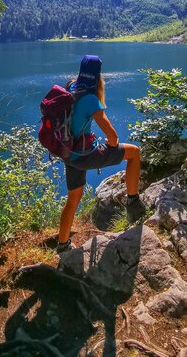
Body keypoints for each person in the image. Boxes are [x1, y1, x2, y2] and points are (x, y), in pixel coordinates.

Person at [57, 54, 146, 253]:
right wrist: (110, 142)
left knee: (72, 199)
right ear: (98, 75)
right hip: (83, 155)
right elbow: (112, 137)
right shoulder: (90, 99)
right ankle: (133, 202)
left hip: (69, 153)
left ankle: (62, 245)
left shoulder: (70, 87)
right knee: (134, 152)